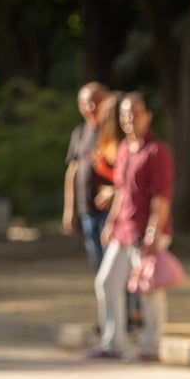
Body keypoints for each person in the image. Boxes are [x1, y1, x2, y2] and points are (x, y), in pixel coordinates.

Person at [87, 92, 174, 362]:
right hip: (124, 230)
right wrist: (111, 223)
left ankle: (151, 346)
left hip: (147, 231)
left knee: (149, 289)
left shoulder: (157, 151)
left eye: (135, 113)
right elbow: (121, 190)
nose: (129, 119)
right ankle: (113, 343)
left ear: (148, 116)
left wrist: (153, 231)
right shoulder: (125, 148)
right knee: (107, 281)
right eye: (125, 114)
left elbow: (162, 196)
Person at [63, 81, 109, 272]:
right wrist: (69, 209)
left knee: (113, 268)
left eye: (96, 101)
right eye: (86, 103)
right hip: (86, 210)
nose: (91, 107)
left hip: (109, 210)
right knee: (98, 263)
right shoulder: (80, 133)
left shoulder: (113, 132)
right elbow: (72, 170)